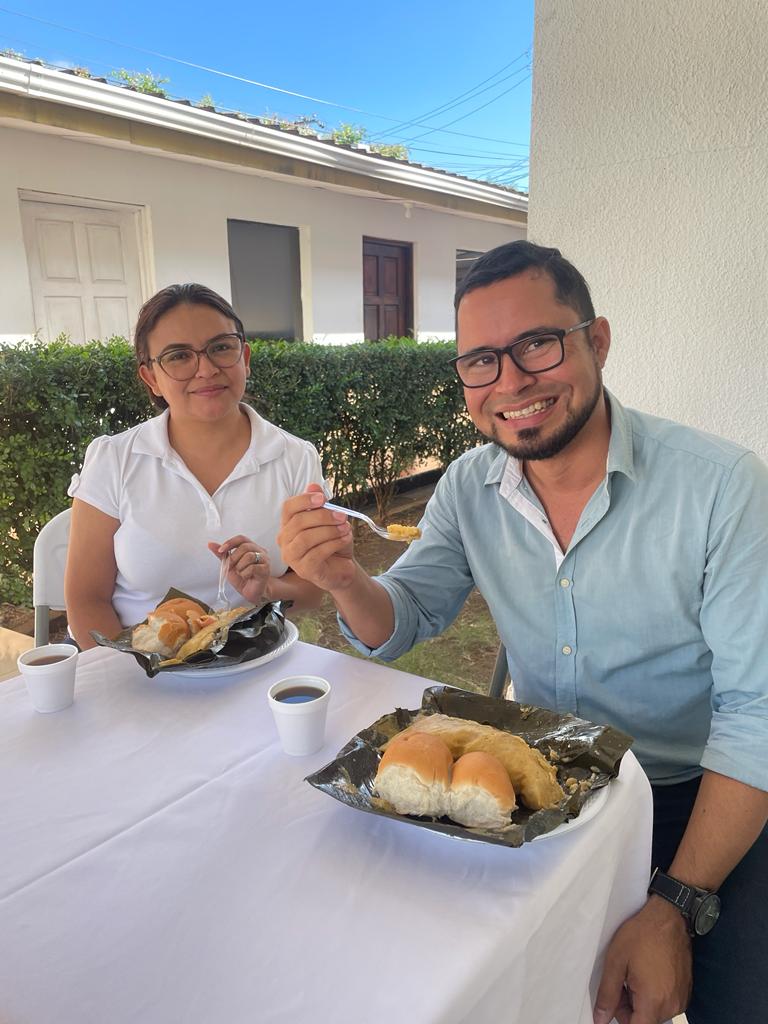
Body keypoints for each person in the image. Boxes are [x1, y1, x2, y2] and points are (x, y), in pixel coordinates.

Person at [278, 241, 768, 1024]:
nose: (509, 382)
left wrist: (674, 902)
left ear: (596, 341)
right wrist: (342, 579)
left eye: (537, 344)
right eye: (480, 360)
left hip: (697, 795)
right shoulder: (470, 486)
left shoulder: (721, 488)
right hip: (548, 790)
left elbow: (758, 713)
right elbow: (403, 621)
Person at [65, 283, 325, 649]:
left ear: (245, 358)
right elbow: (86, 599)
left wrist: (268, 588)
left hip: (253, 663)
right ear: (151, 378)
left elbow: (313, 590)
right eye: (178, 356)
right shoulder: (115, 459)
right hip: (140, 672)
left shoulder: (295, 457)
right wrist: (128, 682)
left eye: (221, 348)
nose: (206, 369)